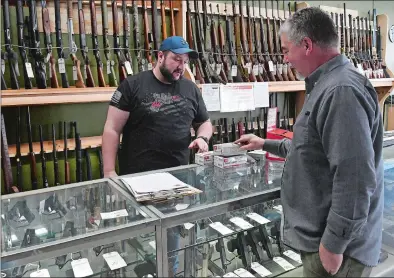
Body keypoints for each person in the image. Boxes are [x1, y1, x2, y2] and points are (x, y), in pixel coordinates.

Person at [235, 7, 383, 278]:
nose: (285, 58)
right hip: (328, 244)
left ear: (306, 45)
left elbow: (355, 178)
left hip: (338, 252)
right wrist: (264, 143)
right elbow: (312, 150)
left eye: (286, 50)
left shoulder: (341, 91)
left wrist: (333, 246)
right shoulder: (328, 85)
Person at [102, 36, 213, 276]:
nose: (181, 66)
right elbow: (112, 129)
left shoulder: (190, 88)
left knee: (169, 246)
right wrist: (109, 173)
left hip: (177, 182)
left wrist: (203, 138)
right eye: (176, 59)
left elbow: (205, 123)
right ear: (160, 56)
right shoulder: (132, 85)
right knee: (136, 245)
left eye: (184, 61)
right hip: (136, 184)